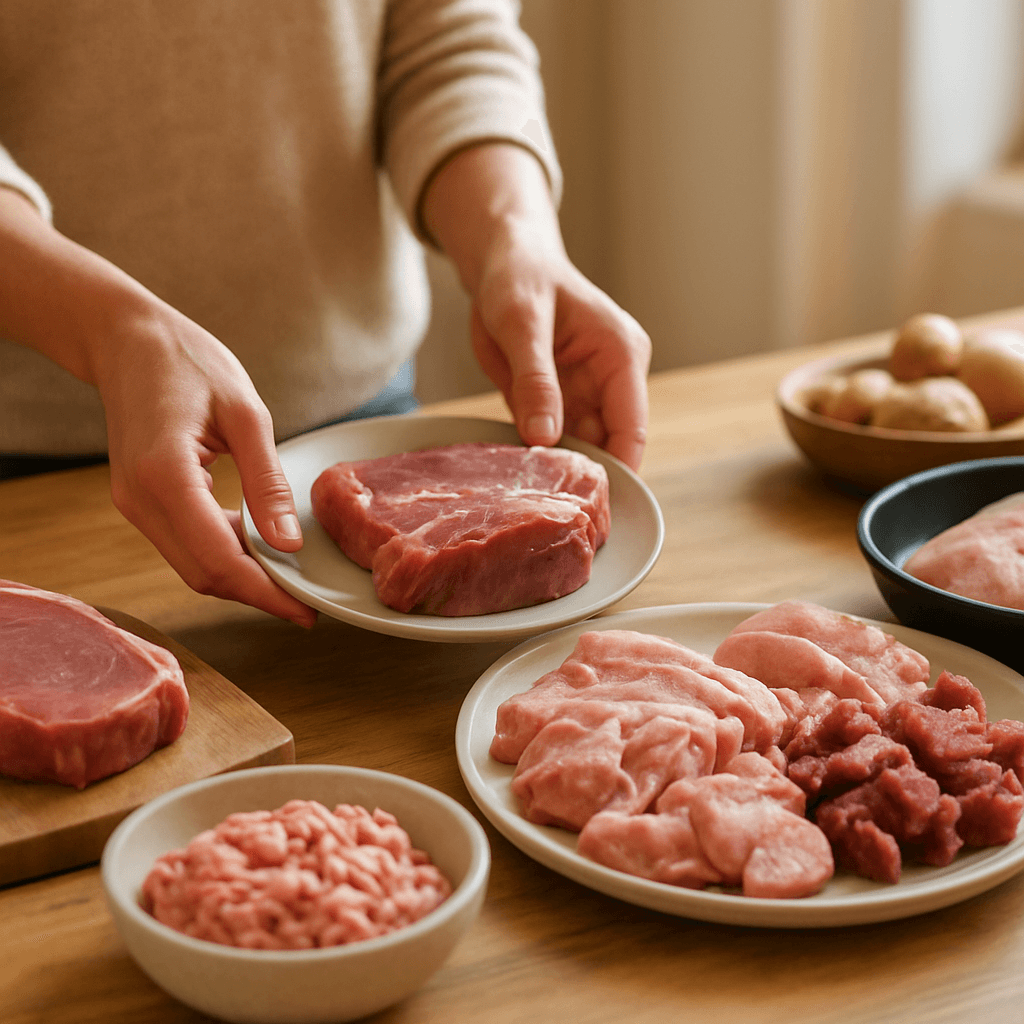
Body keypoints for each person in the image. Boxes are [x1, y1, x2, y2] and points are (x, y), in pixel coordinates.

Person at [0, 0, 650, 627]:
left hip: (371, 431)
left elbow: (449, 44)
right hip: (31, 470)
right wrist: (115, 335)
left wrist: (514, 236)